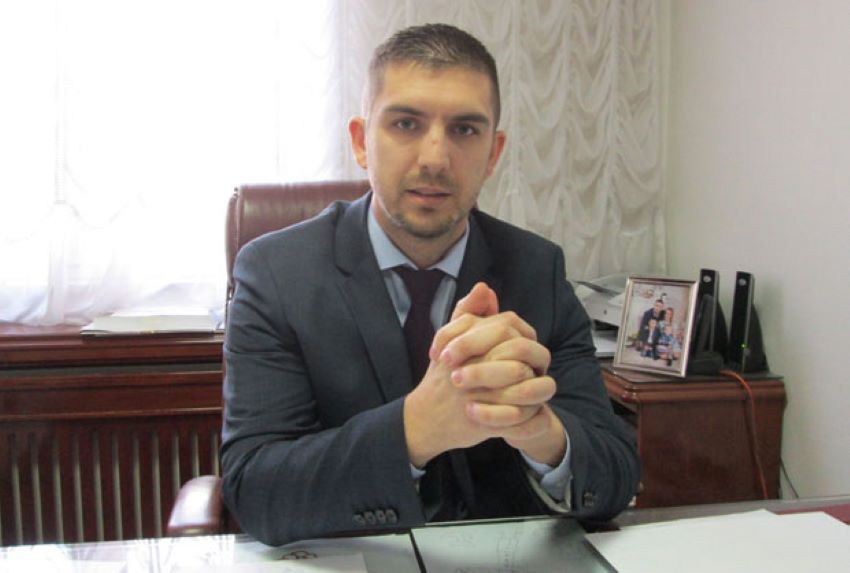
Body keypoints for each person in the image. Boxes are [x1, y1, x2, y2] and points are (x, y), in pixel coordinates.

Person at [221, 23, 640, 546]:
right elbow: (256, 490)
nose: (435, 159)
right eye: (405, 123)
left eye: (465, 129)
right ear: (361, 142)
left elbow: (615, 474)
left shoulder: (538, 270)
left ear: (493, 153)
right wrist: (414, 429)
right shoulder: (276, 273)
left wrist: (545, 436)